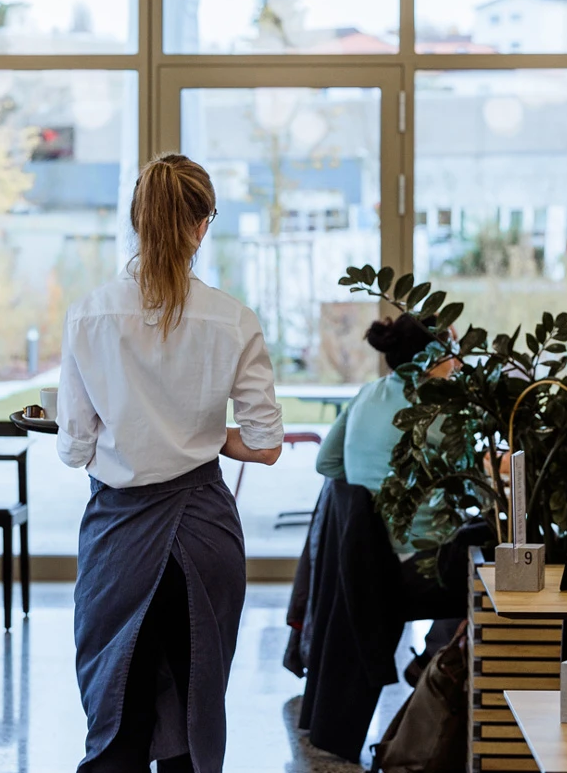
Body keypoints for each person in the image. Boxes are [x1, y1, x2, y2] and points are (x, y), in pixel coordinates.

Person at [57, 153, 285, 773]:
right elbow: (265, 444)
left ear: (136, 219)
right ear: (201, 225)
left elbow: (76, 446)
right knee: (193, 707)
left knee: (117, 709)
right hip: (204, 536)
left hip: (117, 536)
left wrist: (131, 428)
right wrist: (205, 435)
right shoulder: (233, 319)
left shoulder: (88, 315)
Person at [315, 314, 464, 621]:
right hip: (418, 561)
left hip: (366, 558)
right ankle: (438, 660)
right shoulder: (434, 406)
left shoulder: (368, 393)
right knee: (490, 555)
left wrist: (368, 499)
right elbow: (474, 480)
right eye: (453, 351)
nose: (459, 363)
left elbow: (326, 462)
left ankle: (437, 658)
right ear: (432, 358)